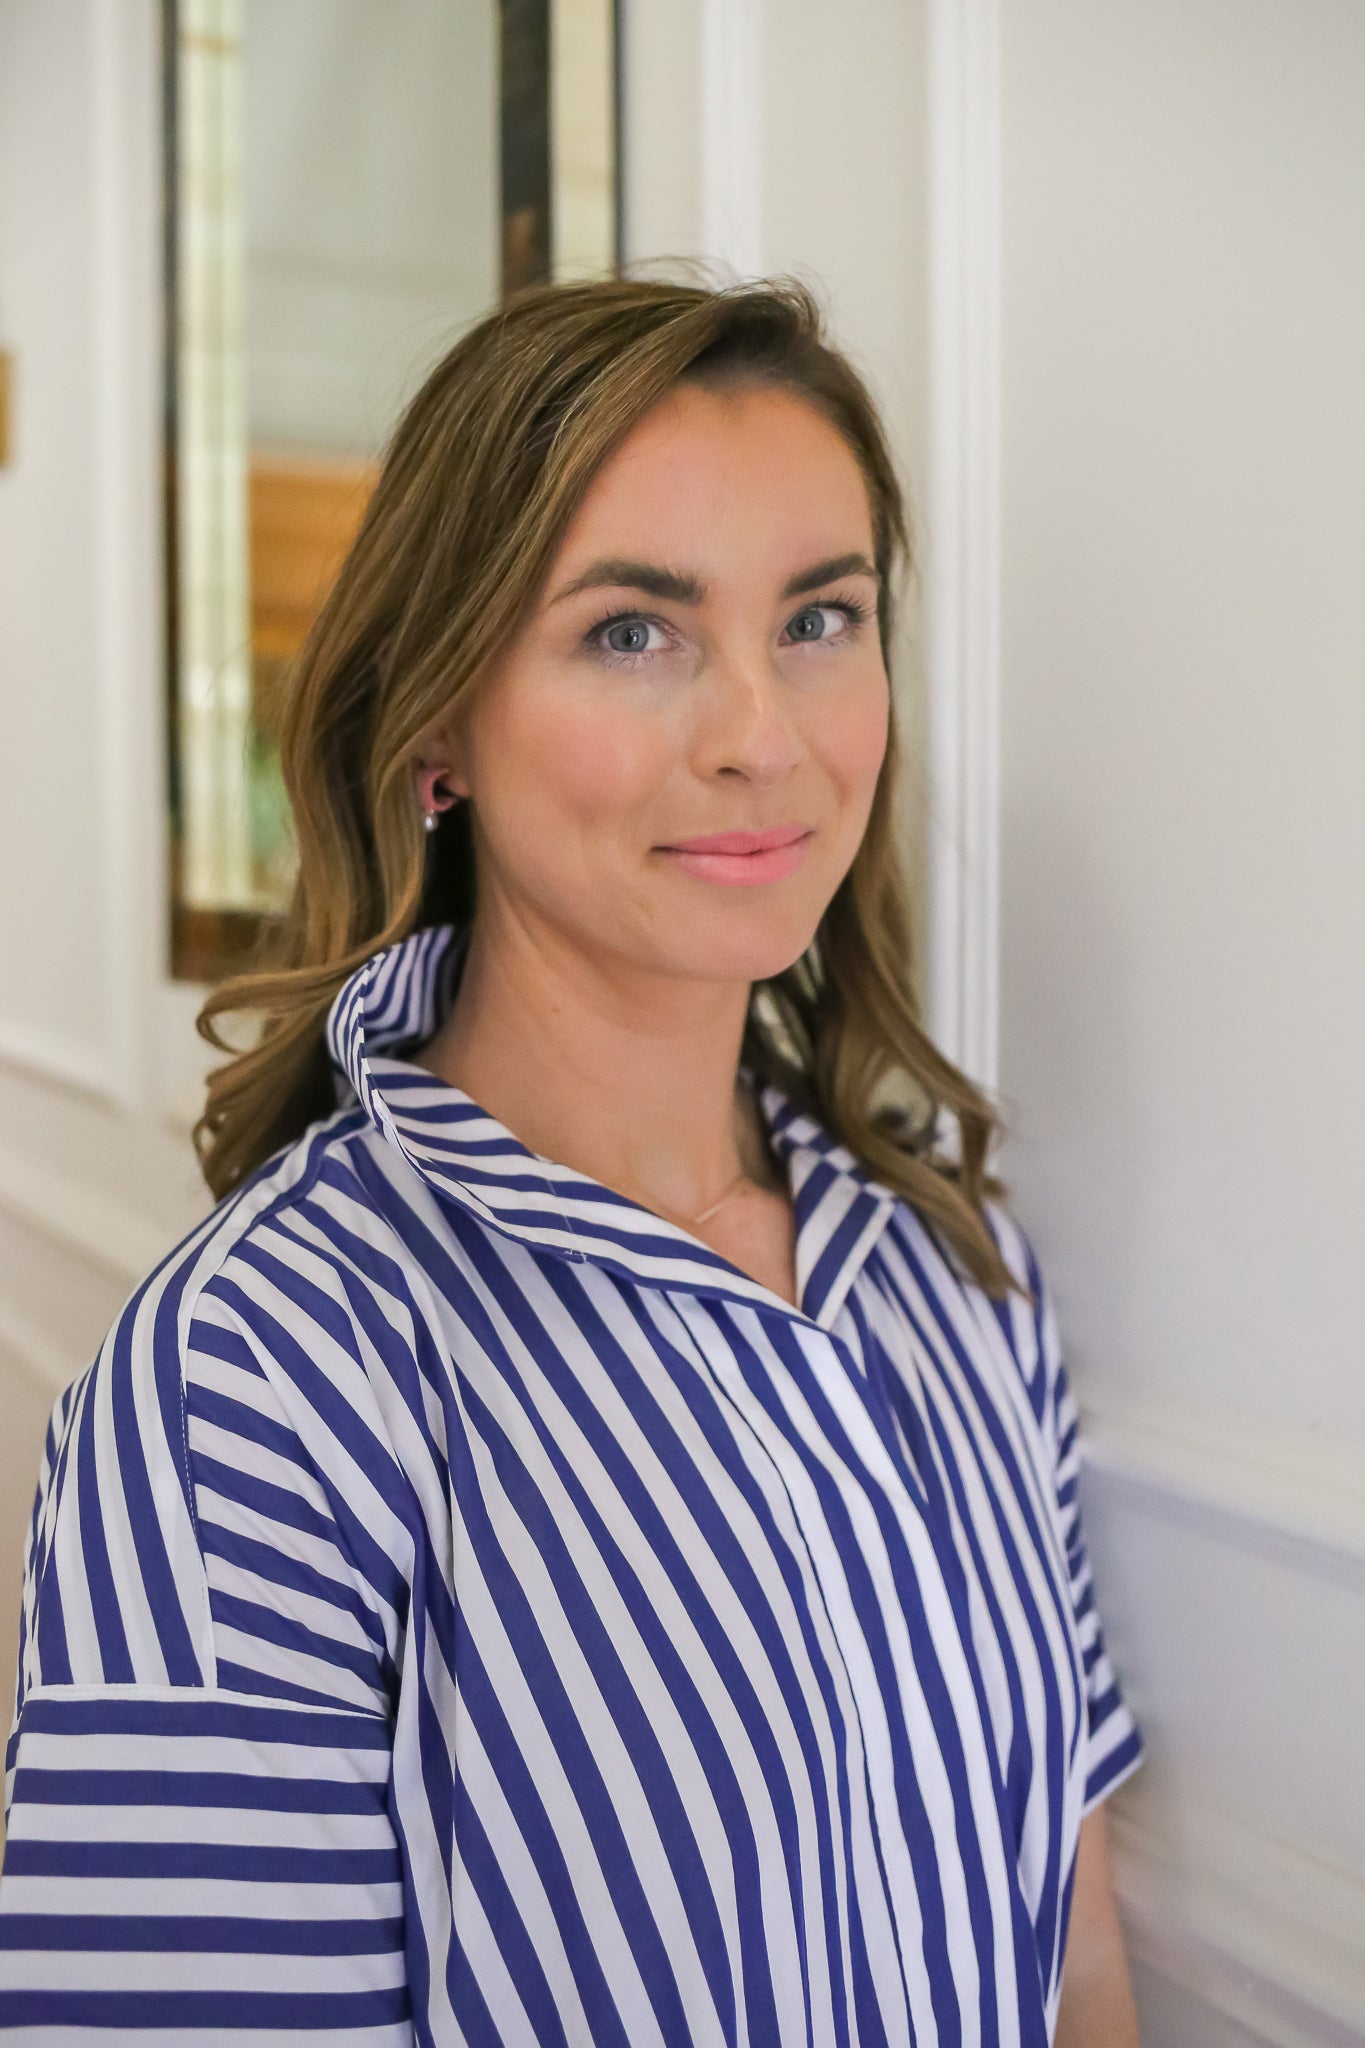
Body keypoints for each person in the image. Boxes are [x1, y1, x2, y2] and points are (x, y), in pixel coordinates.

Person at [0, 277, 1144, 2044]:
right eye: (635, 632)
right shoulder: (250, 1382)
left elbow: (1072, 1953)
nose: (763, 733)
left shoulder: (956, 1272)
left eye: (821, 617)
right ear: (437, 720)